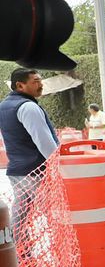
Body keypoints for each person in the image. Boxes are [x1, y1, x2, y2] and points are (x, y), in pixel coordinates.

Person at [1, 68, 61, 225]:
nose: (41, 85)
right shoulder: (28, 107)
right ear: (20, 85)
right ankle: (58, 247)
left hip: (17, 169)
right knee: (53, 212)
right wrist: (57, 164)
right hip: (36, 172)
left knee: (20, 213)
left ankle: (19, 248)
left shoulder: (4, 106)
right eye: (35, 82)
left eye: (40, 80)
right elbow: (44, 141)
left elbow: (9, 139)